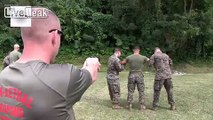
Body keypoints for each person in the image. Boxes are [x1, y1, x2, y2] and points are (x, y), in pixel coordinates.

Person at [0, 7, 101, 120]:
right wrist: (92, 61)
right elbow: (91, 73)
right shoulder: (65, 76)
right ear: (54, 36)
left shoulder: (3, 75)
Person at [121, 46, 149, 111]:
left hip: (131, 75)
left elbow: (122, 62)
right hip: (139, 75)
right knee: (141, 91)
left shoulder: (129, 57)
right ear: (139, 50)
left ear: (133, 50)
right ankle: (142, 106)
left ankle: (129, 104)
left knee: (130, 90)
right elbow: (149, 61)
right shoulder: (143, 57)